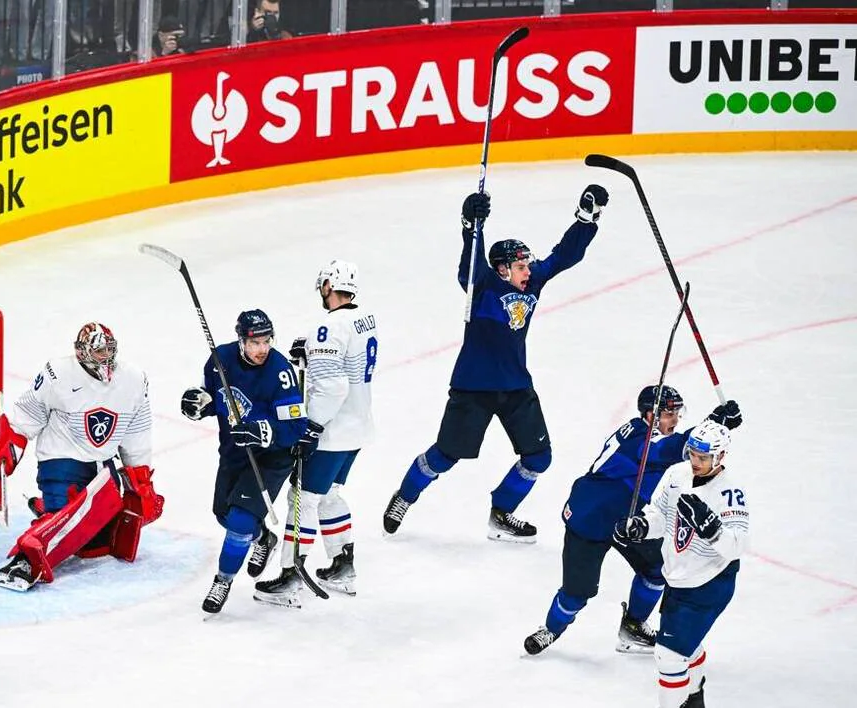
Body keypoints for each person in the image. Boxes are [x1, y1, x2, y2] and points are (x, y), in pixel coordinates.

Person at [383, 185, 610, 542]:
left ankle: (502, 512)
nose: (528, 271)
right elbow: (470, 264)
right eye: (520, 266)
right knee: (444, 456)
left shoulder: (532, 282)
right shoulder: (483, 285)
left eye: (527, 265)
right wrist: (472, 225)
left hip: (516, 385)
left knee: (539, 457)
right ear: (502, 269)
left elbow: (564, 255)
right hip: (473, 387)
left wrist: (586, 219)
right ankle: (405, 496)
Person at [522, 386, 743, 655]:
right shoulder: (639, 438)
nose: (675, 420)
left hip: (629, 520)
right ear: (650, 415)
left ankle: (633, 626)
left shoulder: (651, 436)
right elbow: (671, 450)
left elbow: (687, 453)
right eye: (668, 414)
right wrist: (716, 422)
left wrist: (715, 427)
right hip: (591, 519)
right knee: (576, 593)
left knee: (657, 569)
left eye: (677, 413)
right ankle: (550, 629)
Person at [0, 323, 162, 591]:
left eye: (109, 349)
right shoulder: (58, 374)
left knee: (96, 546)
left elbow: (137, 430)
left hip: (102, 465)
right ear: (81, 352)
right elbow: (30, 411)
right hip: (62, 461)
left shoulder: (133, 379)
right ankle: (26, 558)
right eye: (98, 351)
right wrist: (13, 442)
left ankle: (52, 510)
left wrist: (140, 480)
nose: (105, 356)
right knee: (67, 531)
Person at [254, 261, 376, 606]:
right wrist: (309, 352)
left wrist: (312, 427)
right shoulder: (364, 319)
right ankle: (342, 567)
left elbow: (332, 386)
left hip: (332, 433)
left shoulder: (329, 327)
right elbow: (345, 362)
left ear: (329, 286)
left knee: (302, 498)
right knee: (330, 494)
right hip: (358, 426)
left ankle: (291, 578)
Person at [614, 420, 748, 708]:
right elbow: (659, 516)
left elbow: (737, 546)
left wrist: (713, 529)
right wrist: (641, 526)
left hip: (710, 582)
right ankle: (694, 698)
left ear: (720, 456)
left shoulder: (730, 492)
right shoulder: (676, 474)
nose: (695, 462)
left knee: (669, 655)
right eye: (693, 455)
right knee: (686, 644)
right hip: (677, 577)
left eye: (703, 457)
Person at [181, 309, 305, 614]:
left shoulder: (280, 372)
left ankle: (222, 581)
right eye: (255, 343)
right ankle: (263, 538)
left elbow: (295, 427)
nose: (262, 349)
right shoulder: (219, 360)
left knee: (239, 521)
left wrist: (263, 431)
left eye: (267, 341)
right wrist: (201, 404)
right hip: (234, 452)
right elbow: (215, 398)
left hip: (271, 457)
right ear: (241, 342)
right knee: (223, 513)